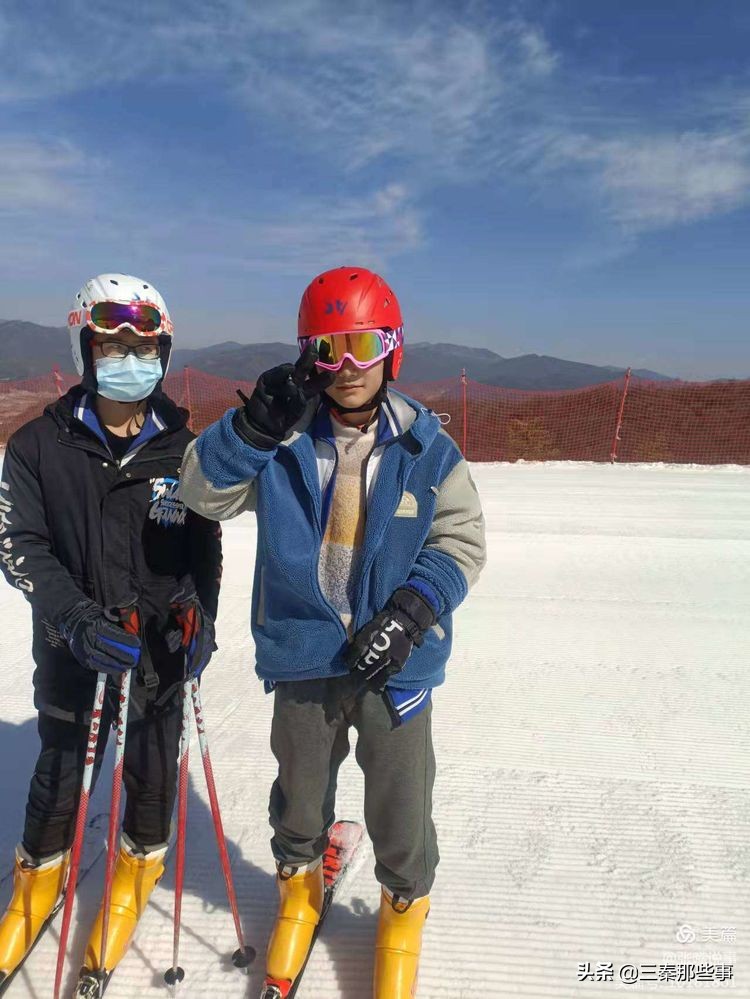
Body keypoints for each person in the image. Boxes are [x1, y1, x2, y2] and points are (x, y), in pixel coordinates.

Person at [180, 265, 486, 998]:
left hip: (398, 663)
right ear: (305, 356)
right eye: (328, 349)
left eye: (363, 345)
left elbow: (462, 541)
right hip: (305, 654)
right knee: (301, 788)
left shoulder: (426, 447)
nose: (347, 368)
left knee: (401, 797)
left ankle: (403, 905)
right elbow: (200, 492)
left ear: (393, 348)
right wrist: (250, 429)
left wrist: (413, 612)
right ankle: (297, 886)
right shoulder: (281, 441)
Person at [0, 273, 222, 985]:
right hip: (74, 645)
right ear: (84, 347)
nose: (131, 357)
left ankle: (132, 875)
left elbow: (203, 547)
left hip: (154, 645)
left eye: (146, 344)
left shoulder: (184, 450)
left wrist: (200, 614)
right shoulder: (37, 447)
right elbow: (20, 544)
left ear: (164, 350)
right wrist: (72, 616)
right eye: (113, 344)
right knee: (62, 770)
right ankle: (36, 883)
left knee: (154, 768)